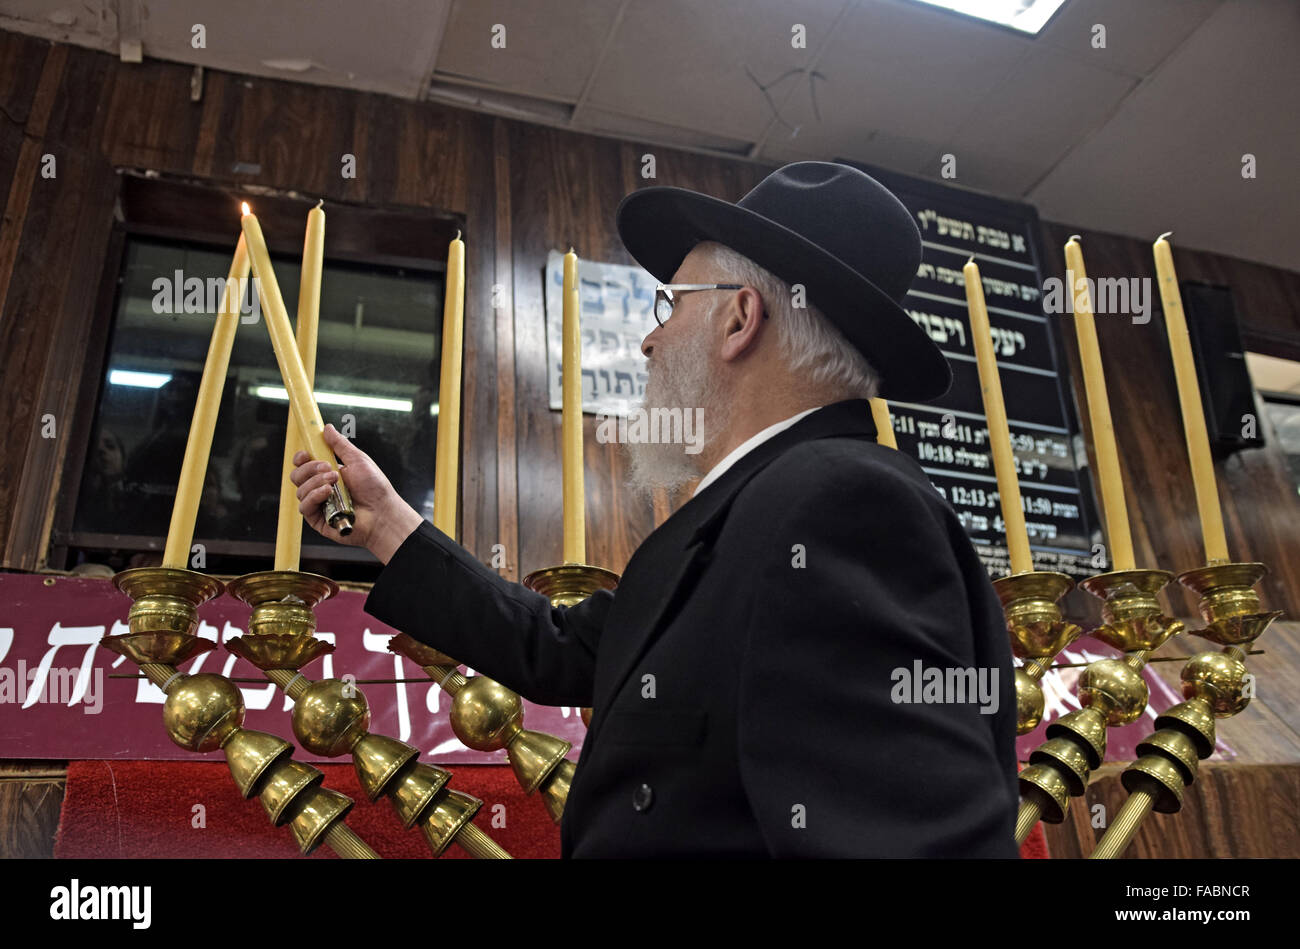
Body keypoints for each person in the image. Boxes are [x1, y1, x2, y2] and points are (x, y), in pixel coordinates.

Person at [291, 162, 1019, 857]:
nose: (648, 338)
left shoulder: (842, 504)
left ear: (740, 318)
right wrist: (386, 522)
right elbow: (556, 648)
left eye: (671, 304)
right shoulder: (742, 513)